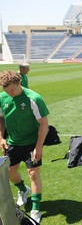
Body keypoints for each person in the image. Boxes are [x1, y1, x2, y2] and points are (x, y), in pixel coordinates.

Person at [0, 70, 49, 224]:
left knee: (33, 173)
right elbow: (1, 119)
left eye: (12, 90)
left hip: (31, 143)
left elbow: (44, 124)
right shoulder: (2, 98)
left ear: (19, 83)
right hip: (13, 142)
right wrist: (1, 138)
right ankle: (23, 189)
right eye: (7, 91)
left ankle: (35, 209)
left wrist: (38, 147)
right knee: (10, 173)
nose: (10, 94)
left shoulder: (34, 98)